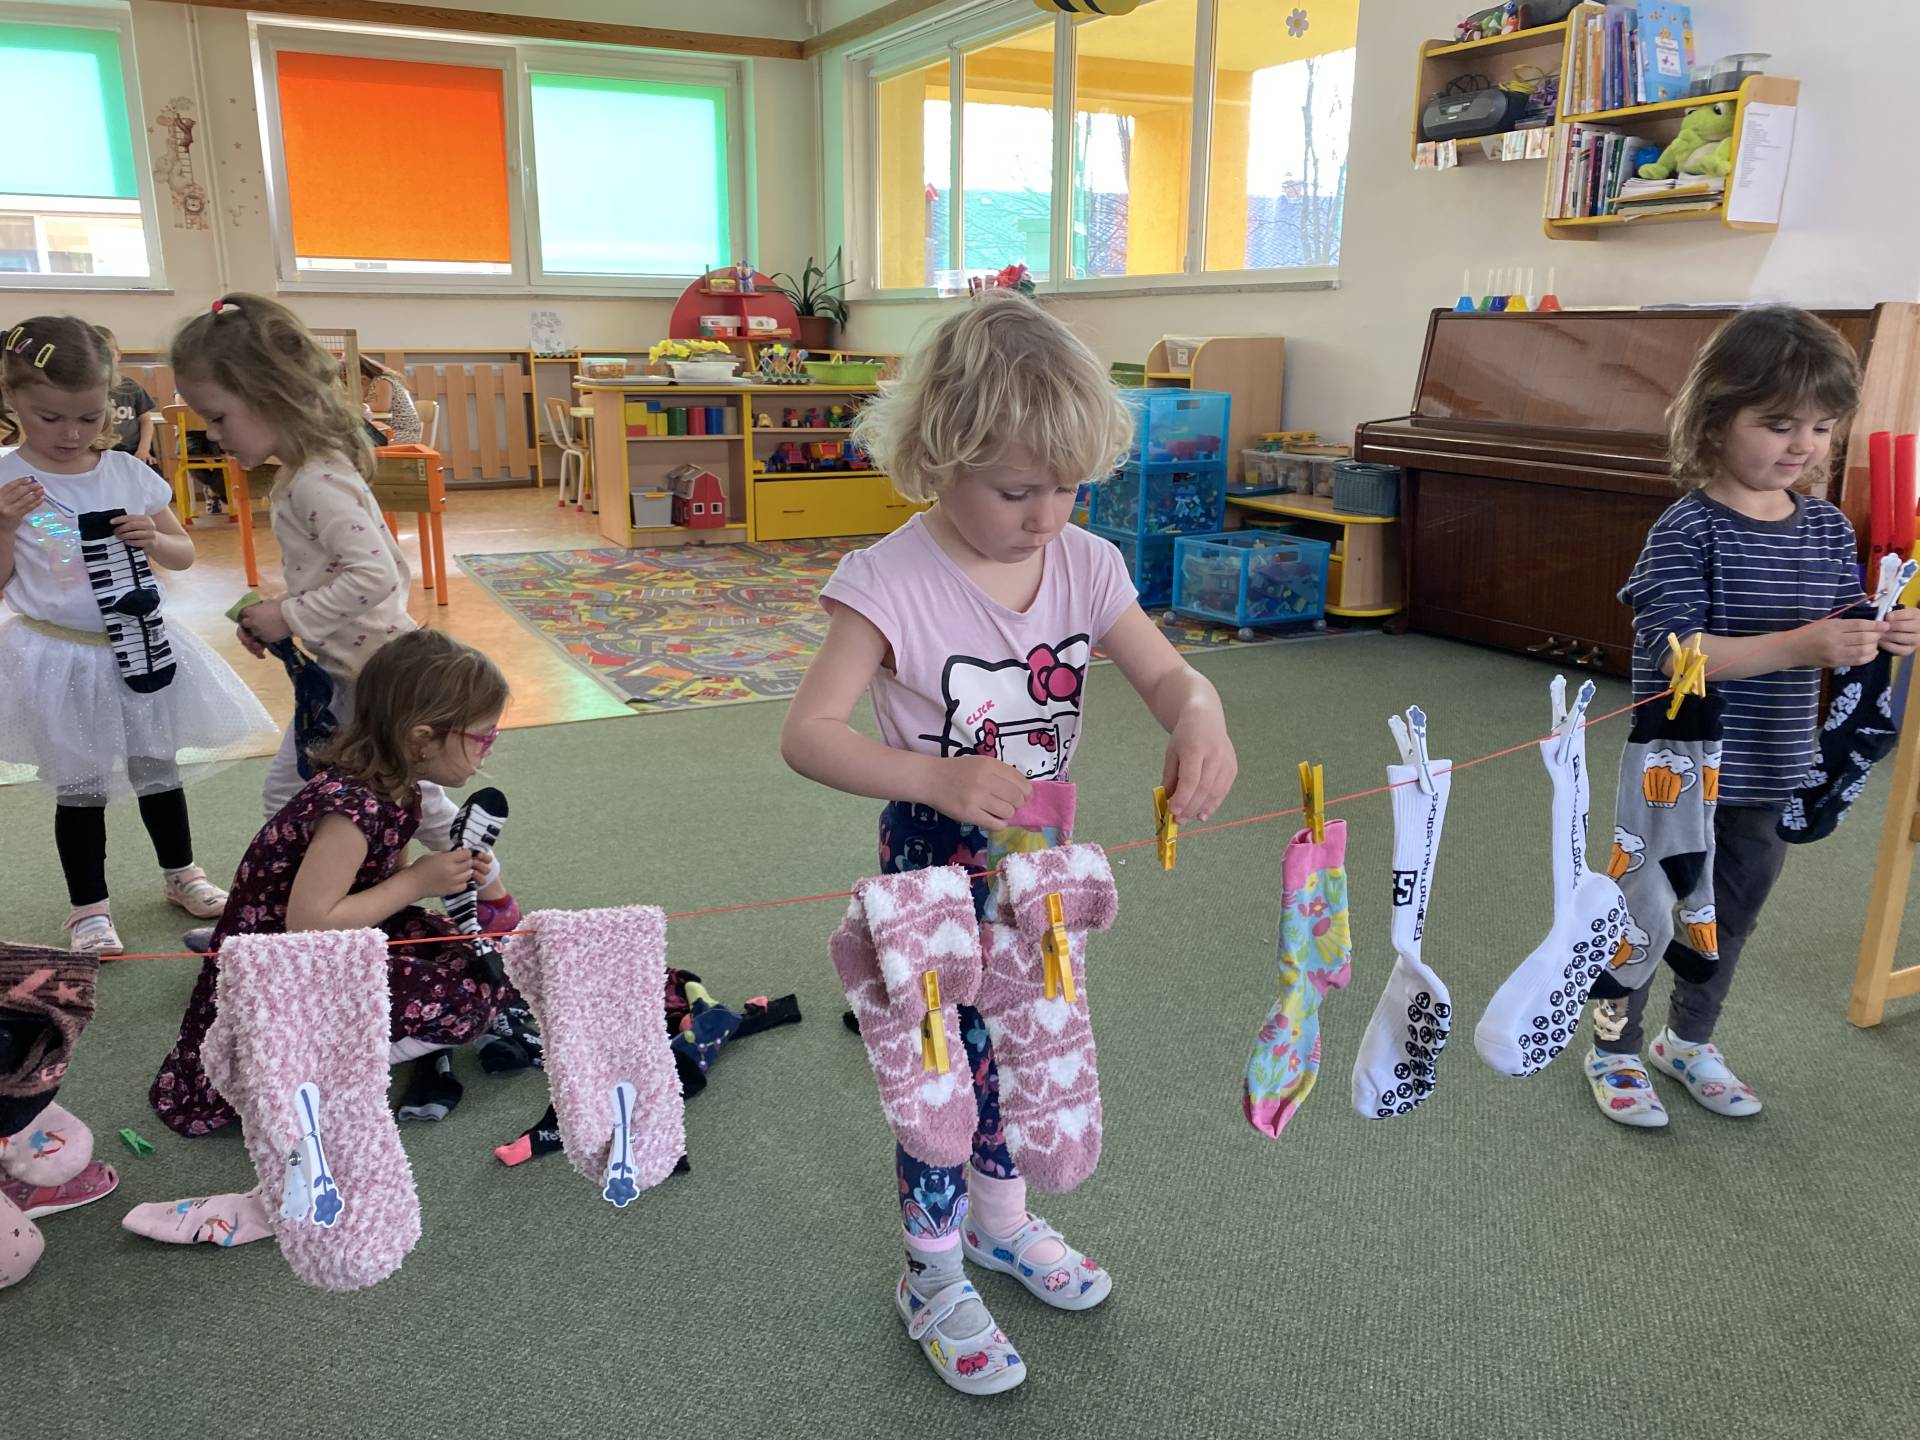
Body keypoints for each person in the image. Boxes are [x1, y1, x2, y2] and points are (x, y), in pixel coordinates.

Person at [780, 292, 1238, 1394]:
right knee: (944, 1069)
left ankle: (999, 1225)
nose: (1046, 516)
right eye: (1016, 490)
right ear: (939, 459)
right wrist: (932, 775)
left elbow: (1167, 674)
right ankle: (930, 1274)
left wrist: (1200, 714)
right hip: (929, 856)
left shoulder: (1085, 564)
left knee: (1031, 1044)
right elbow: (809, 734)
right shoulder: (888, 582)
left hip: (1038, 859)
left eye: (1068, 487)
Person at [1591, 305, 1920, 1125]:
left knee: (1728, 919)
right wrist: (1801, 645)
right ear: (1714, 420)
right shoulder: (1687, 529)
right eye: (1778, 424)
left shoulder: (1826, 528)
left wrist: (1883, 632)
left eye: (1821, 426)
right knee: (1644, 914)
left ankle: (1687, 1042)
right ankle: (1613, 1048)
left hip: (1772, 768)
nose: (1803, 445)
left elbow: (1842, 630)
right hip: (1677, 773)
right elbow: (1679, 654)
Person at [167, 294, 519, 934]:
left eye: (218, 416)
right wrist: (282, 623)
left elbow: (375, 574)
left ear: (270, 396)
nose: (213, 434)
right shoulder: (304, 473)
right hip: (346, 672)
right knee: (349, 800)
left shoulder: (316, 480)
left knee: (351, 800)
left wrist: (291, 615)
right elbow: (337, 575)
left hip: (370, 681)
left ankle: (476, 898)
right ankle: (291, 919)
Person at [148, 629, 517, 1145]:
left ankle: (343, 1045)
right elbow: (308, 924)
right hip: (285, 972)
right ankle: (318, 1068)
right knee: (462, 1001)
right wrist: (418, 881)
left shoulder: (398, 787)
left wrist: (438, 876)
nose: (488, 749)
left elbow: (380, 886)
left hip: (337, 941)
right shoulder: (351, 810)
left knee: (480, 960)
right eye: (483, 737)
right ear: (422, 738)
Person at [0, 316, 273, 953]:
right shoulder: (6, 480)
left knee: (158, 768)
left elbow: (184, 554)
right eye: (49, 417)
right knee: (80, 787)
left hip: (140, 645)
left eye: (89, 417)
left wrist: (156, 539)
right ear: (11, 397)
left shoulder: (126, 472)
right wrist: (4, 525)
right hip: (58, 658)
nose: (71, 434)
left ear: (110, 403)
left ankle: (182, 873)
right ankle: (89, 910)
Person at [93, 325, 157, 467]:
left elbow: (146, 420)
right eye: (98, 357)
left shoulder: (131, 386)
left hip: (133, 451)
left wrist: (144, 449)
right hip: (100, 453)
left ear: (118, 355)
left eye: (109, 355)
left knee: (153, 474)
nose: (104, 362)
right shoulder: (84, 390)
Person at [354, 355, 420, 445]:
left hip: (402, 433)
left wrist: (356, 406)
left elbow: (382, 407)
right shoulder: (372, 384)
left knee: (358, 440)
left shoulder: (382, 381)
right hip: (388, 430)